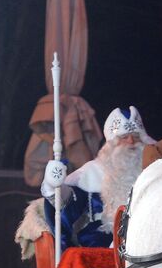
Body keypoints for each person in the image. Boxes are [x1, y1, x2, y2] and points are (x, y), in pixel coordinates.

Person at [41, 106, 154, 250]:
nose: (131, 141)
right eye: (124, 137)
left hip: (146, 233)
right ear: (111, 144)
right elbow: (67, 206)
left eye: (136, 136)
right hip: (103, 239)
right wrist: (53, 186)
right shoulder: (91, 172)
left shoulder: (153, 169)